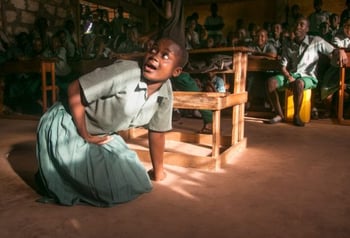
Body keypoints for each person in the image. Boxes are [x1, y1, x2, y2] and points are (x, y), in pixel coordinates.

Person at [35, 37, 188, 207]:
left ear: (176, 71)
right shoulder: (125, 72)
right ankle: (54, 166)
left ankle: (64, 168)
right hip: (68, 124)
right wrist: (85, 135)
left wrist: (159, 173)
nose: (154, 56)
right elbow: (74, 89)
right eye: (153, 50)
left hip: (101, 133)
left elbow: (157, 132)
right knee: (107, 189)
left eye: (165, 56)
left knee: (138, 182)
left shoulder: (165, 92)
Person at [266, 16, 336, 127]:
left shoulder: (315, 41)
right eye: (296, 24)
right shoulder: (288, 44)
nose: (297, 27)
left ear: (307, 29)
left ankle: (296, 116)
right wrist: (288, 77)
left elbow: (333, 50)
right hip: (291, 75)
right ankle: (279, 114)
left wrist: (340, 51)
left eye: (301, 25)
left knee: (299, 83)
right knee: (271, 82)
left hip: (308, 77)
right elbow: (283, 66)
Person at [321, 18, 350, 118]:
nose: (349, 29)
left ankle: (345, 111)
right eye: (347, 26)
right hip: (335, 70)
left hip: (349, 72)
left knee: (346, 93)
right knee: (326, 91)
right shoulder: (337, 36)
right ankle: (329, 110)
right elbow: (336, 47)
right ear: (343, 26)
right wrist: (340, 50)